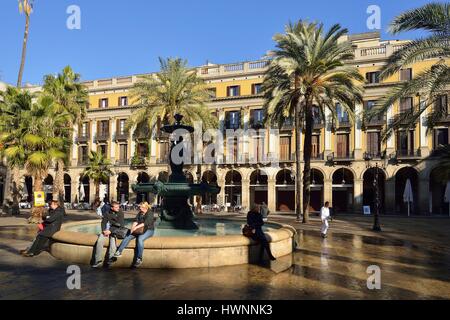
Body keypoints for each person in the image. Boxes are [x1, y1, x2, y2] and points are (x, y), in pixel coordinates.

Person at [112, 202, 155, 267]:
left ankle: (139, 259)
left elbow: (146, 223)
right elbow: (136, 221)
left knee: (140, 239)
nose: (139, 208)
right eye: (139, 207)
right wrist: (132, 228)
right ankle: (119, 251)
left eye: (140, 207)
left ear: (145, 207)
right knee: (128, 235)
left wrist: (136, 227)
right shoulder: (140, 212)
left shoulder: (150, 213)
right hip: (139, 230)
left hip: (149, 230)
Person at [92, 201, 124, 268]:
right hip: (108, 229)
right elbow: (103, 222)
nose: (118, 208)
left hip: (117, 229)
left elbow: (119, 224)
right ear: (112, 208)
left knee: (112, 242)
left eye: (118, 207)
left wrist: (110, 231)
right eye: (116, 207)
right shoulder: (107, 213)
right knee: (100, 240)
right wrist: (104, 230)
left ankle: (110, 260)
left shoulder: (120, 212)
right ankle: (98, 260)